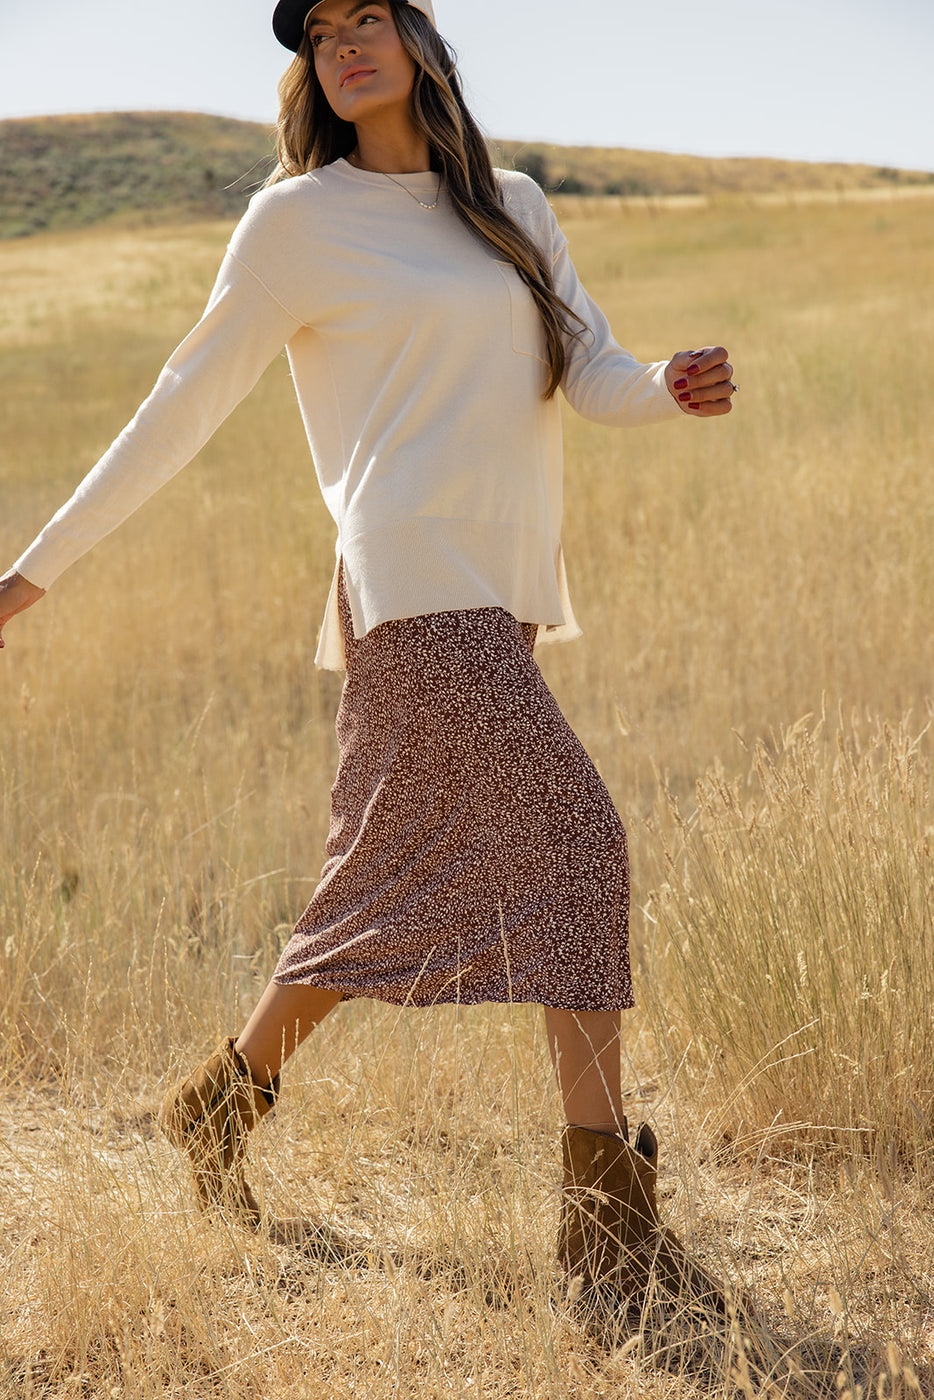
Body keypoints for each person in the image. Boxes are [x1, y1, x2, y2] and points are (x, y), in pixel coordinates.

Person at [0, 0, 738, 1317]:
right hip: (402, 579)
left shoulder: (505, 202)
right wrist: (31, 573)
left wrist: (667, 383)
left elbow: (592, 365)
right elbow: (180, 403)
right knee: (578, 843)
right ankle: (605, 1224)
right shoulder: (295, 221)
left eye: (367, 17)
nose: (343, 44)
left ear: (415, 38)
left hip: (498, 588)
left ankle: (217, 1107)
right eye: (319, 30)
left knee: (382, 882)